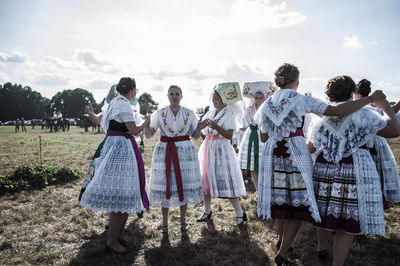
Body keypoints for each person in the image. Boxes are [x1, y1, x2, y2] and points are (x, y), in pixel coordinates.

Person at [256, 63, 386, 266]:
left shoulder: (267, 104)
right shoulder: (299, 99)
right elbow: (335, 111)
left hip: (273, 153)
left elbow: (263, 135)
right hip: (295, 152)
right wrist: (369, 99)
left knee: (282, 201)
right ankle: (283, 250)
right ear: (296, 80)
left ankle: (282, 246)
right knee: (299, 203)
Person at [307, 75, 398, 266]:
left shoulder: (320, 117)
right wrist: (385, 106)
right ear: (351, 94)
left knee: (325, 210)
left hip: (324, 167)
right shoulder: (363, 114)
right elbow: (394, 130)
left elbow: (311, 147)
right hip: (353, 167)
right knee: (347, 221)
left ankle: (321, 249)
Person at [80, 77, 150, 254]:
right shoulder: (124, 104)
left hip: (116, 146)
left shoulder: (113, 102)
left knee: (125, 193)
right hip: (121, 150)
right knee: (121, 193)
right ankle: (112, 241)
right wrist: (146, 121)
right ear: (133, 91)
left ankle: (119, 235)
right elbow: (134, 130)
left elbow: (101, 121)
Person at [144, 85, 204, 234]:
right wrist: (146, 123)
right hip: (165, 149)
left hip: (184, 151)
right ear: (167, 96)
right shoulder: (159, 113)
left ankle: (183, 222)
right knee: (166, 184)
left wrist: (200, 128)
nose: (174, 96)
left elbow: (196, 137)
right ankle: (164, 224)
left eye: (177, 94)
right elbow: (149, 135)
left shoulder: (189, 113)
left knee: (182, 183)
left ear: (181, 96)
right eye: (172, 94)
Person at [197, 82, 248, 225]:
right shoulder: (210, 113)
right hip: (208, 147)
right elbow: (202, 130)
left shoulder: (228, 115)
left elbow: (229, 135)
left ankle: (239, 212)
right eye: (213, 98)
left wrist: (216, 126)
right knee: (205, 179)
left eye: (217, 98)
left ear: (224, 100)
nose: (214, 100)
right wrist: (201, 126)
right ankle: (207, 211)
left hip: (222, 150)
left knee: (226, 180)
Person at [354, 79, 400, 208]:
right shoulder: (373, 109)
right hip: (375, 145)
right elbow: (390, 114)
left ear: (356, 94)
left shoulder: (358, 108)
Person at [238, 82, 274, 191]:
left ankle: (267, 190)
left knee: (265, 165)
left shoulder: (269, 109)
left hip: (265, 136)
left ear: (265, 98)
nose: (258, 99)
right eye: (256, 97)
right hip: (252, 136)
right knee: (253, 166)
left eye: (261, 97)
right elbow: (244, 124)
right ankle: (258, 190)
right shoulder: (249, 110)